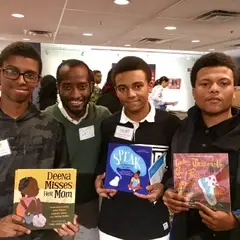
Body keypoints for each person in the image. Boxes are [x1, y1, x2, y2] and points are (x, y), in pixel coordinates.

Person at [95, 56, 180, 240]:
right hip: (112, 225)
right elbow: (102, 165)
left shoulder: (170, 125)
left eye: (137, 86)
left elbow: (176, 170)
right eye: (122, 88)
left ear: (150, 85)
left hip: (154, 224)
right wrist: (99, 181)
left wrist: (165, 187)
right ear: (116, 90)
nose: (131, 94)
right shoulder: (109, 124)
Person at [0, 42, 79, 239]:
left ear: (37, 81)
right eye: (12, 71)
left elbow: (61, 179)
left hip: (42, 234)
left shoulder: (52, 127)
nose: (21, 80)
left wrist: (63, 216)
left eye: (30, 74)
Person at [163, 52, 240, 240]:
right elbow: (172, 174)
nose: (214, 89)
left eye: (223, 83)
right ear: (194, 91)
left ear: (234, 90)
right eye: (205, 84)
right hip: (185, 232)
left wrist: (236, 220)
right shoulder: (181, 131)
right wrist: (169, 191)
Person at [44, 59, 111, 240]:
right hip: (55, 206)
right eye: (67, 87)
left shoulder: (103, 116)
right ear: (58, 87)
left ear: (91, 86)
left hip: (91, 205)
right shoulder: (45, 120)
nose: (75, 94)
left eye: (82, 86)